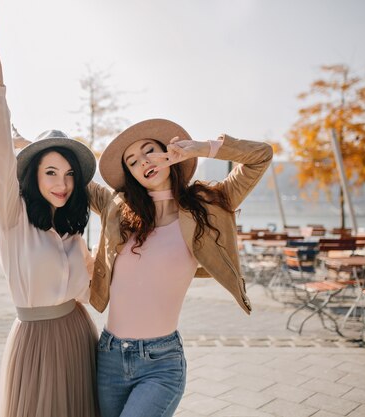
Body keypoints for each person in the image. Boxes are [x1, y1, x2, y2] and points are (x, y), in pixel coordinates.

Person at [87, 119, 273, 417]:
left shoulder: (207, 206)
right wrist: (32, 146)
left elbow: (261, 155)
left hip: (161, 364)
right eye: (133, 162)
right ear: (131, 175)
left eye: (149, 151)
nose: (143, 162)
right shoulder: (118, 210)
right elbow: (72, 177)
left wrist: (202, 149)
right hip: (109, 357)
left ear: (170, 153)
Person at [0, 8, 99, 417]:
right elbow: (2, 157)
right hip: (36, 343)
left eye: (68, 174)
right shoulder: (14, 219)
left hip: (80, 337)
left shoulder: (72, 229)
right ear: (34, 177)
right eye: (50, 172)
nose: (61, 182)